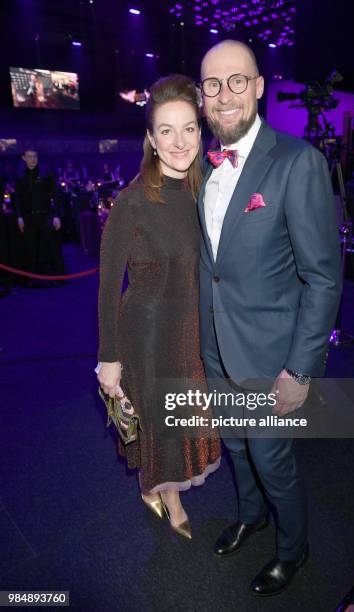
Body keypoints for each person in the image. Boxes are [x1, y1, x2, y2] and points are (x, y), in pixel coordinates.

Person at [198, 40, 342, 595]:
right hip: (217, 348)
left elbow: (323, 277)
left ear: (260, 87)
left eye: (238, 80)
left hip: (271, 356)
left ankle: (293, 547)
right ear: (202, 95)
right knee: (235, 446)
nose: (224, 94)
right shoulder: (202, 173)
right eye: (212, 84)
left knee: (272, 458)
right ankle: (250, 515)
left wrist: (300, 369)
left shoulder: (298, 161)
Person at [97, 74, 221, 540]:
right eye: (165, 130)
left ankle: (159, 485)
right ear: (150, 138)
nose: (178, 141)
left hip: (191, 332)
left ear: (201, 130)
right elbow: (109, 286)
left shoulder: (203, 190)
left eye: (188, 128)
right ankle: (166, 494)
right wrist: (109, 358)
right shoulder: (130, 202)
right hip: (146, 336)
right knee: (163, 425)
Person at [14, 150, 65, 285]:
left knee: (53, 247)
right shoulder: (19, 176)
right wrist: (19, 217)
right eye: (29, 157)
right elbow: (17, 198)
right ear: (23, 158)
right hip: (28, 217)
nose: (33, 159)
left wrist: (57, 216)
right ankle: (31, 279)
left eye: (35, 156)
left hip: (46, 215)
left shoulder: (46, 173)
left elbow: (55, 195)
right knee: (30, 249)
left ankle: (60, 278)